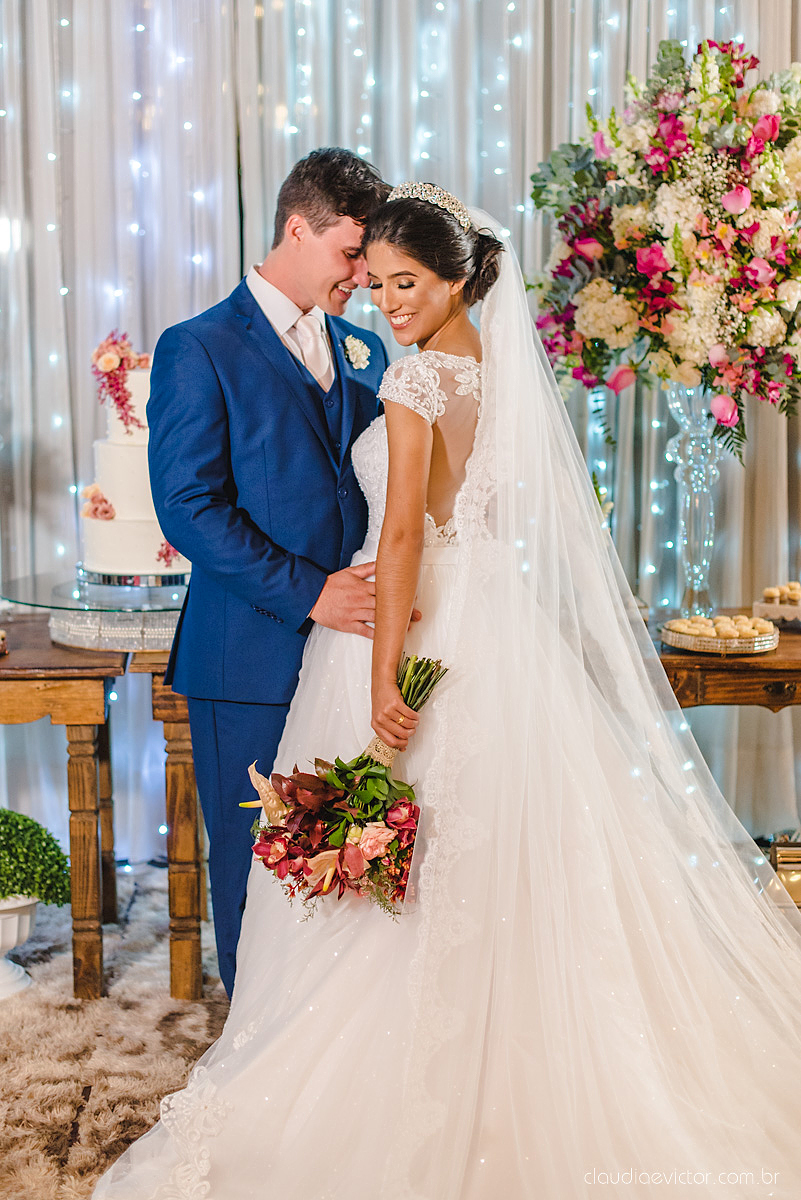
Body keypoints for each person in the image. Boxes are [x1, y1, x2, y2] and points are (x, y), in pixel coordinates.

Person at [96, 187, 801, 1199]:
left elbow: (400, 539)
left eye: (403, 282)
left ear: (459, 275)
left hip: (407, 624)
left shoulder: (415, 375)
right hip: (495, 625)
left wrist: (384, 675)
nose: (383, 301)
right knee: (492, 861)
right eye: (374, 281)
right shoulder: (500, 373)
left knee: (409, 864)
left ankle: (361, 1091)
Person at [147, 148, 391, 996]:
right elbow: (188, 506)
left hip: (353, 655)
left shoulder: (362, 347)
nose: (365, 274)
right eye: (351, 253)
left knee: (347, 859)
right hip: (244, 660)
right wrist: (311, 590)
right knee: (256, 865)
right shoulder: (197, 347)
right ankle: (248, 1046)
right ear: (299, 227)